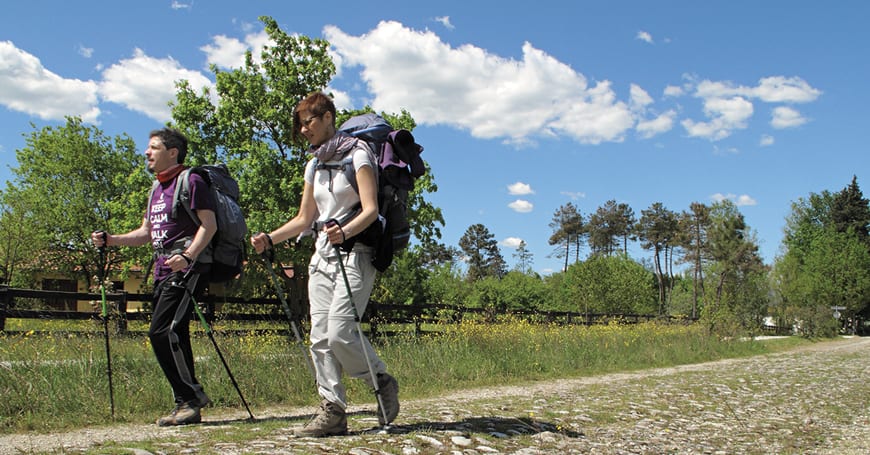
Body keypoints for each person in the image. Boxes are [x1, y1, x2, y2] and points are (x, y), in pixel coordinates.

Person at [251, 92, 399, 437]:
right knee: (319, 337)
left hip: (356, 253)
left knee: (339, 332)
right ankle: (332, 410)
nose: (304, 130)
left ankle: (380, 380)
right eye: (300, 124)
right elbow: (304, 219)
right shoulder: (314, 163)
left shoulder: (359, 154)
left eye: (309, 121)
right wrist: (270, 238)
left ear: (329, 117)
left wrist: (343, 231)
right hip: (322, 256)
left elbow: (371, 210)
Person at [91, 127, 217, 426]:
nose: (147, 153)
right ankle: (185, 404)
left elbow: (208, 225)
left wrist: (188, 256)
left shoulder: (192, 180)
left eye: (153, 147)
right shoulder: (156, 189)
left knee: (161, 331)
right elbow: (146, 234)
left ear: (172, 152)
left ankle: (192, 397)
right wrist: (111, 239)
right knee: (175, 333)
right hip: (163, 269)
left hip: (188, 267)